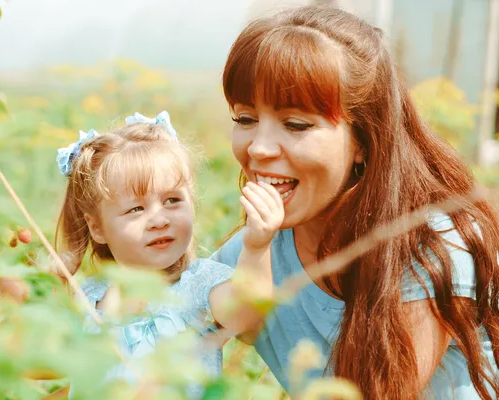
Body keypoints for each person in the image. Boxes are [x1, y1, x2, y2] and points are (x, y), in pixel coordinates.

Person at [212, 6, 499, 399]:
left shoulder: (431, 246)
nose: (258, 148)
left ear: (363, 140)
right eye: (245, 119)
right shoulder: (258, 250)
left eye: (296, 124)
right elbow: (157, 331)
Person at [54, 111, 284, 398]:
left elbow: (247, 318)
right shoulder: (89, 297)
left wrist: (256, 246)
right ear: (97, 228)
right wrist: (46, 285)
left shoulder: (197, 286)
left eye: (172, 200)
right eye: (136, 209)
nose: (159, 219)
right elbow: (44, 365)